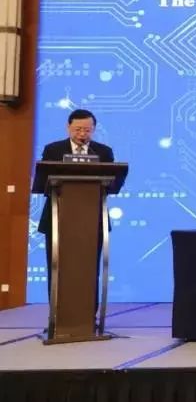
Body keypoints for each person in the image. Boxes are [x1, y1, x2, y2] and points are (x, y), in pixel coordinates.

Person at [37, 109, 126, 303]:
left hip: (92, 220)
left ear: (93, 129)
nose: (82, 134)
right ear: (68, 127)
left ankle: (89, 314)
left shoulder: (103, 152)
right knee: (57, 268)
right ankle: (56, 315)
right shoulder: (53, 150)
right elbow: (44, 182)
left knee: (89, 269)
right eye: (78, 129)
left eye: (87, 130)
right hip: (58, 217)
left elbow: (112, 183)